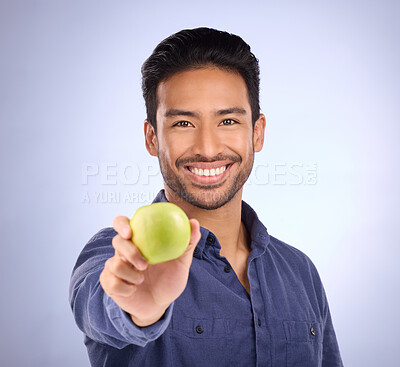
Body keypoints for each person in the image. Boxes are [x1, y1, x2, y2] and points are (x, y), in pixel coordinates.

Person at [69, 27, 343, 366]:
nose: (208, 148)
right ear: (152, 138)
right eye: (183, 124)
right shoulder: (118, 256)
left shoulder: (301, 272)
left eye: (227, 120)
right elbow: (100, 304)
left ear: (256, 133)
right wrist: (139, 310)